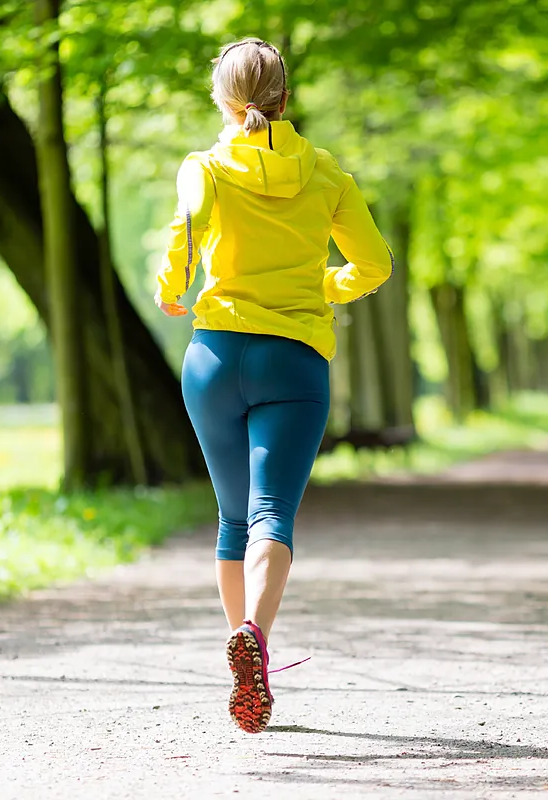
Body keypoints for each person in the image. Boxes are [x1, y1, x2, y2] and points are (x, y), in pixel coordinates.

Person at [154, 37, 392, 734]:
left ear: (223, 102)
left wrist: (174, 292)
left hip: (216, 358)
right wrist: (322, 286)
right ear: (286, 99)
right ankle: (254, 637)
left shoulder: (204, 168)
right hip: (295, 360)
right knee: (271, 516)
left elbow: (181, 242)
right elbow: (373, 265)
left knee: (232, 519)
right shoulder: (325, 173)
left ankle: (245, 651)